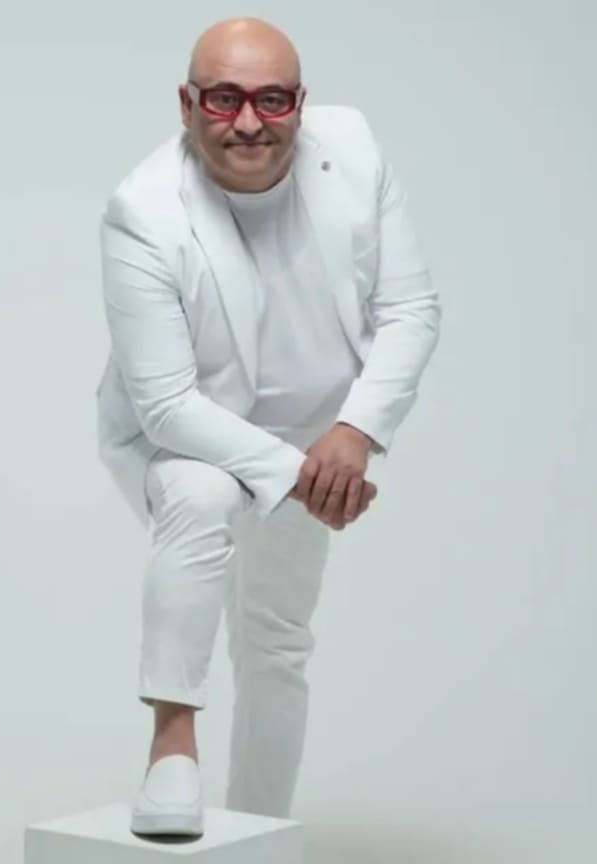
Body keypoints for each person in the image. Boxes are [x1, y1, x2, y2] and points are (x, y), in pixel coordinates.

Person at [95, 16, 441, 838]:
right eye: (223, 99)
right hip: (188, 434)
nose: (248, 121)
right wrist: (303, 475)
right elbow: (167, 403)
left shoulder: (352, 150)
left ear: (299, 103)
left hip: (321, 436)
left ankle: (259, 828)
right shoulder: (142, 211)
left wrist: (354, 433)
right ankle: (171, 749)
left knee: (279, 642)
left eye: (271, 99)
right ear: (187, 105)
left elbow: (410, 307)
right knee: (202, 496)